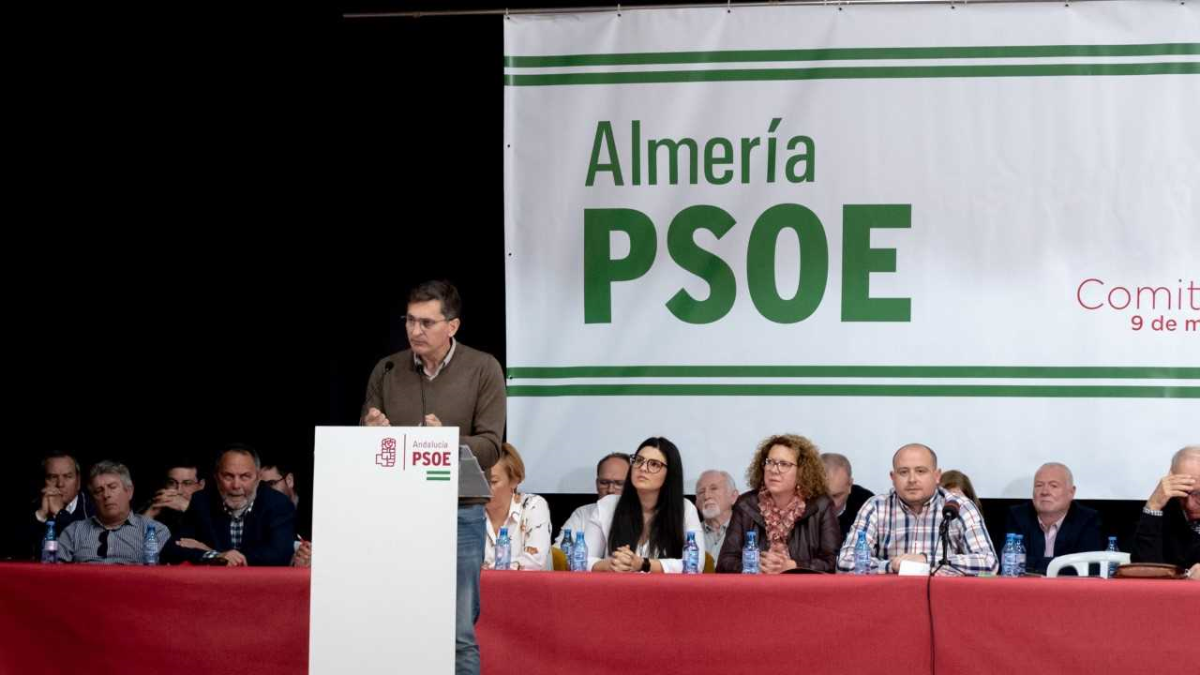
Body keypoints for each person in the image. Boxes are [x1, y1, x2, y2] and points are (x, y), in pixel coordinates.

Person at [360, 280, 506, 675]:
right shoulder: (387, 369)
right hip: (397, 515)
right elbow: (366, 441)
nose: (414, 331)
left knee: (457, 635)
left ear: (452, 327)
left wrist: (446, 442)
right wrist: (371, 431)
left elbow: (493, 445)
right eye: (410, 320)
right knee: (396, 628)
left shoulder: (483, 368)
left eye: (426, 322)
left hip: (459, 514)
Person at [836, 444, 997, 576]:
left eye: (920, 471)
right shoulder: (876, 507)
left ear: (937, 476)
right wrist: (891, 566)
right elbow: (845, 563)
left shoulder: (959, 506)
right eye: (903, 472)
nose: (912, 479)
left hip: (946, 600)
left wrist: (926, 560)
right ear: (893, 478)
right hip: (888, 598)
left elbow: (989, 564)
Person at [717, 435, 841, 573]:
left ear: (802, 471)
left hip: (805, 591)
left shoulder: (821, 506)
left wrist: (794, 566)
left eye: (784, 464)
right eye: (770, 462)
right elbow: (725, 562)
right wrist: (755, 566)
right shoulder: (746, 504)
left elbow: (832, 563)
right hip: (755, 589)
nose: (774, 470)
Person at [583, 437, 703, 573]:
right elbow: (581, 560)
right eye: (639, 461)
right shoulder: (607, 505)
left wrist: (644, 564)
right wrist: (610, 564)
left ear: (670, 474)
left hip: (666, 591)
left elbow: (696, 564)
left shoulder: (685, 509)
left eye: (654, 464)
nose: (643, 468)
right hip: (617, 590)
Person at [165, 444, 296, 567]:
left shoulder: (279, 504)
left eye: (245, 476)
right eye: (228, 476)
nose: (236, 485)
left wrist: (214, 554)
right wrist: (218, 556)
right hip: (213, 585)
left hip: (260, 585)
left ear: (257, 478)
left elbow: (280, 555)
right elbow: (172, 549)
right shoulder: (201, 501)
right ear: (216, 477)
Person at [58, 461, 170, 564]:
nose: (106, 495)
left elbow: (163, 577)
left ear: (129, 492)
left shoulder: (156, 531)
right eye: (98, 491)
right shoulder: (74, 531)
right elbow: (52, 571)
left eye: (112, 487)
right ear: (93, 498)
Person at [1005, 462, 1103, 574]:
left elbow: (1089, 567)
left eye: (1054, 486)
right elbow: (1008, 561)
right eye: (1039, 485)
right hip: (1026, 588)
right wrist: (1061, 564)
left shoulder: (1087, 519)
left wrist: (1033, 563)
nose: (1045, 492)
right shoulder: (1018, 516)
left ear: (1071, 492)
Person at [483, 443, 551, 571]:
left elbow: (535, 560)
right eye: (480, 481)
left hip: (527, 588)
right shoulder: (470, 512)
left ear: (514, 480)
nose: (484, 488)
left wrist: (487, 569)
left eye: (493, 482)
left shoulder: (533, 505)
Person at [1133, 446, 1200, 570]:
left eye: (1199, 495)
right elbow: (1144, 572)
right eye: (1183, 493)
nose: (1189, 505)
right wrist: (1153, 507)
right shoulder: (1162, 512)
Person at [553, 453, 629, 548]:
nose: (610, 490)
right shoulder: (582, 514)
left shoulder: (642, 516)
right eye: (604, 483)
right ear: (597, 484)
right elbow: (559, 551)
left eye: (619, 483)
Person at [27, 452, 94, 558]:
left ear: (78, 481)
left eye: (68, 476)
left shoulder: (94, 508)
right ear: (43, 481)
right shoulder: (33, 506)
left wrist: (60, 513)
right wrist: (41, 515)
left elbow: (89, 547)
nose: (60, 484)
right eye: (53, 477)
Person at [260, 459, 312, 567]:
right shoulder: (260, 514)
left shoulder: (315, 510)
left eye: (271, 484)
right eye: (260, 487)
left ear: (289, 480)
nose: (265, 492)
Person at [139, 459, 206, 536]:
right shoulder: (152, 506)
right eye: (172, 482)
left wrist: (189, 509)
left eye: (187, 483)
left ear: (201, 485)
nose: (179, 491)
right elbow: (144, 545)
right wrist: (149, 516)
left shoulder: (212, 511)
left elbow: (217, 544)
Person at [821, 453, 875, 539]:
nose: (829, 504)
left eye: (836, 496)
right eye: (822, 497)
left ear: (850, 485)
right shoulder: (800, 506)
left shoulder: (866, 503)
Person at [694, 470, 738, 563]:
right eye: (701, 492)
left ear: (733, 496)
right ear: (696, 502)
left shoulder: (749, 532)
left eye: (714, 489)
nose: (706, 496)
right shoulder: (688, 535)